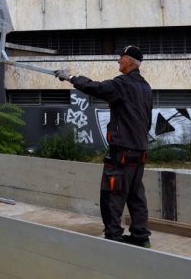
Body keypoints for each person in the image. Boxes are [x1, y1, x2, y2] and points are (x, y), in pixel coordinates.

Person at [54, 46, 153, 247]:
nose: (118, 60)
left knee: (112, 193)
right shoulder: (145, 87)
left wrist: (70, 78)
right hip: (139, 149)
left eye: (121, 57)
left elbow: (95, 87)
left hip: (122, 150)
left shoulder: (123, 84)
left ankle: (113, 237)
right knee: (135, 193)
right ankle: (140, 236)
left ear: (130, 61)